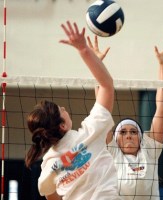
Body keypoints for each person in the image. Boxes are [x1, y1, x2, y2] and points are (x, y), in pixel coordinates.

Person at [25, 21, 120, 200]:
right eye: (61, 109)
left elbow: (51, 196)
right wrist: (84, 50)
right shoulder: (90, 134)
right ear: (62, 125)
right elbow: (107, 85)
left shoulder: (48, 166)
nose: (64, 108)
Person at [87, 37, 163, 199]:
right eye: (123, 132)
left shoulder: (149, 150)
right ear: (115, 139)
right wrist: (97, 63)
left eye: (133, 131)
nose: (129, 135)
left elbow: (162, 110)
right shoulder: (112, 153)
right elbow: (101, 111)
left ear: (140, 137)